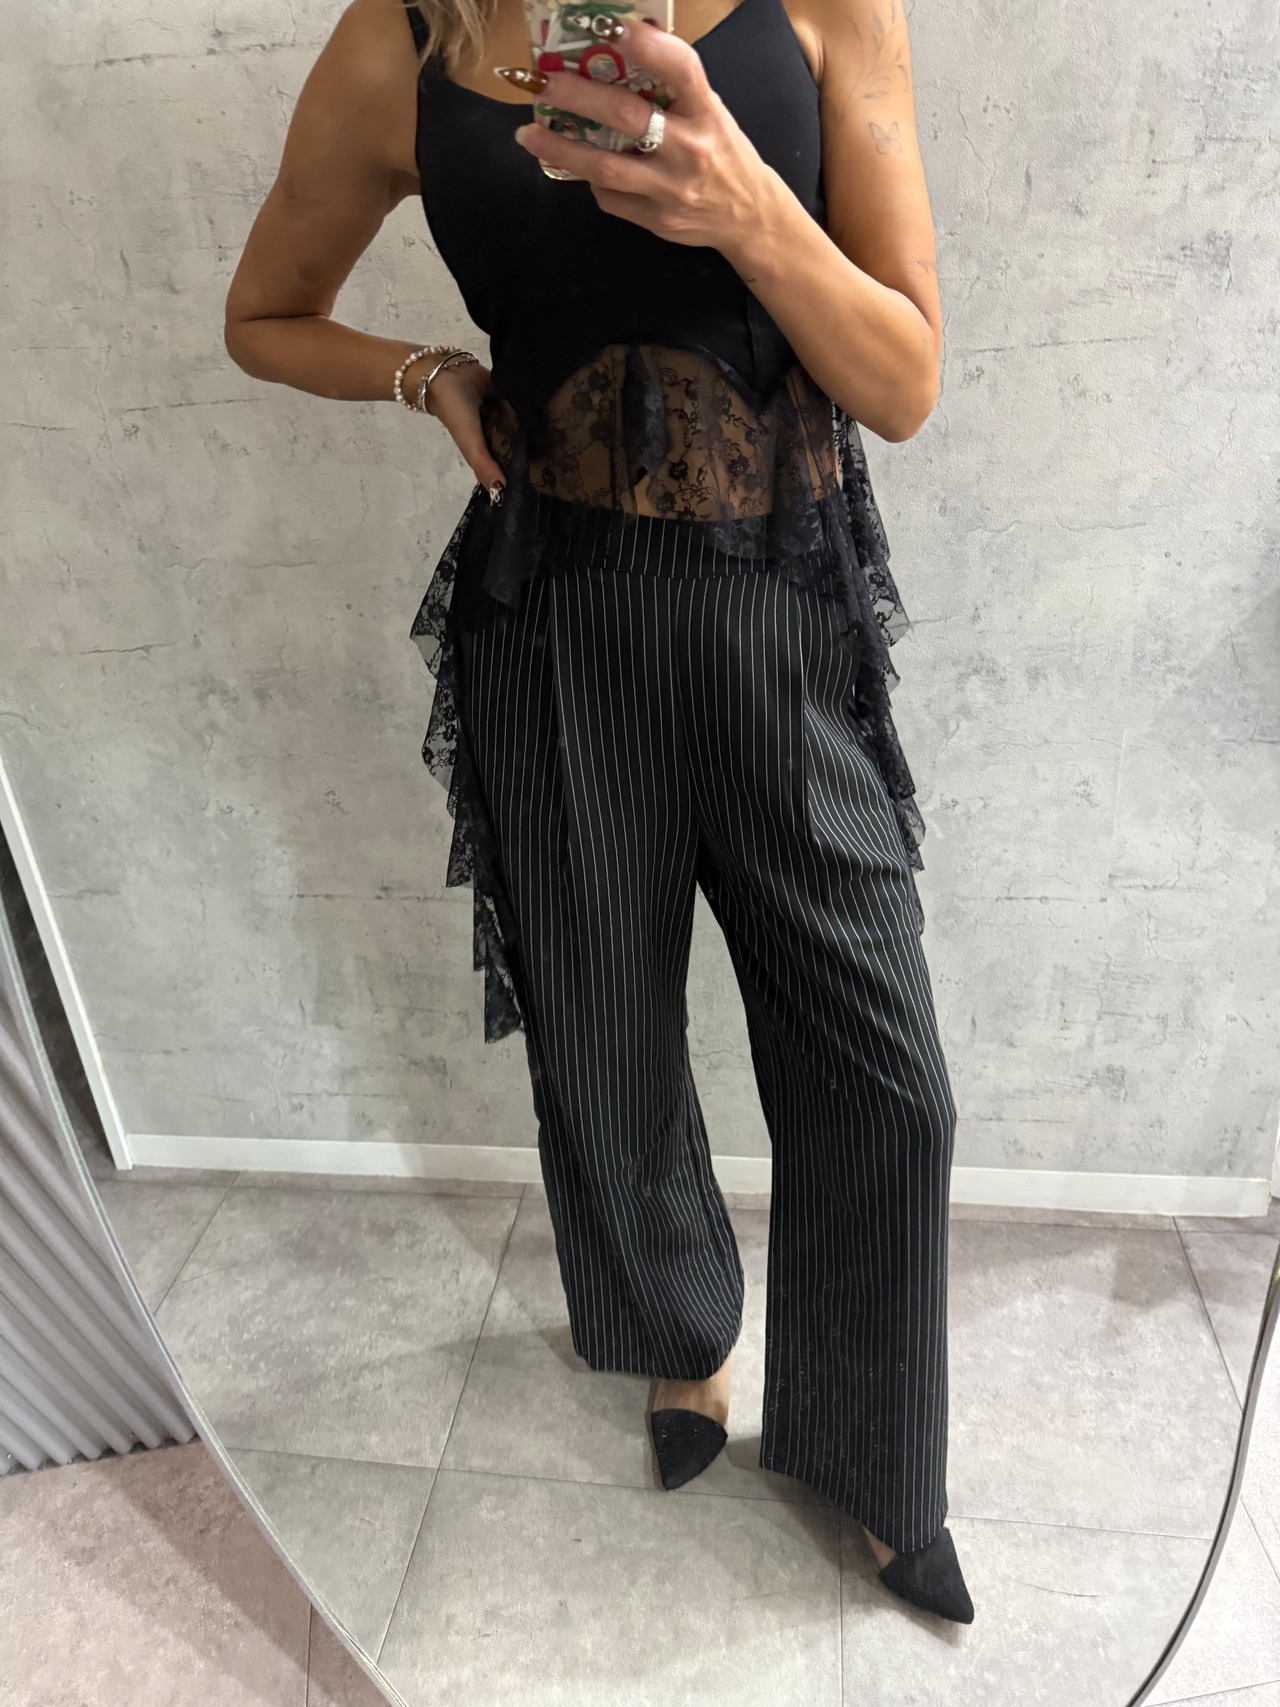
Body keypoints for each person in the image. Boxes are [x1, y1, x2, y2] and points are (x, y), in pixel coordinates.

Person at [223, 0, 972, 1625]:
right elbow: (264, 317)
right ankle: (679, 1342)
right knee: (604, 1039)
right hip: (553, 623)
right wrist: (430, 372)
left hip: (780, 611)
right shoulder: (408, 42)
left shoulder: (826, 13)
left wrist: (748, 208)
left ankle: (873, 1456)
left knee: (886, 1078)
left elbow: (903, 383)